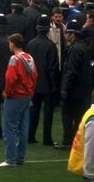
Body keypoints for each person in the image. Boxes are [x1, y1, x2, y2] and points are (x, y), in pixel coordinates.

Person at [0, 33, 37, 167]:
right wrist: (30, 92)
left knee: (10, 128)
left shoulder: (14, 59)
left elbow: (10, 78)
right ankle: (20, 157)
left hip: (14, 97)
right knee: (23, 128)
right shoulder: (29, 57)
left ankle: (10, 159)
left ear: (13, 44)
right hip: (26, 96)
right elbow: (35, 76)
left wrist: (7, 92)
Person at [58, 19, 93, 150]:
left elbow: (71, 71)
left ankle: (68, 141)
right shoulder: (83, 47)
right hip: (83, 89)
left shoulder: (75, 49)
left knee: (67, 117)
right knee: (79, 117)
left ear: (73, 34)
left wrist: (64, 89)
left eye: (67, 33)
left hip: (74, 90)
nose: (65, 35)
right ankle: (77, 141)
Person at [27, 15, 59, 146]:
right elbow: (53, 68)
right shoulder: (50, 45)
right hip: (47, 84)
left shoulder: (30, 44)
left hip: (33, 83)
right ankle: (47, 138)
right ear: (48, 29)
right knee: (48, 113)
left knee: (33, 111)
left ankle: (30, 135)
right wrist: (54, 85)